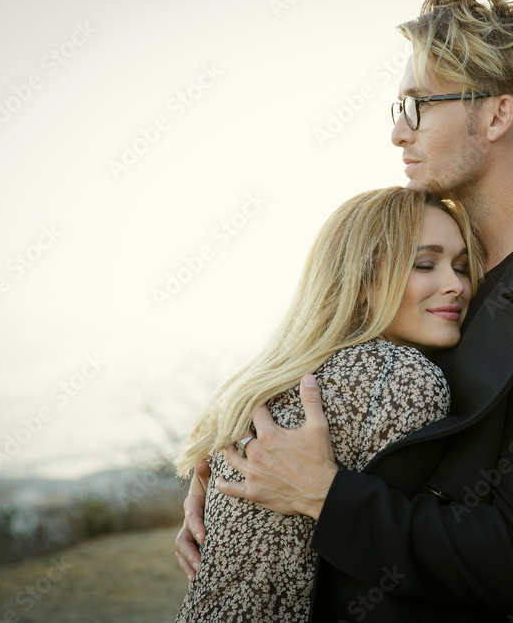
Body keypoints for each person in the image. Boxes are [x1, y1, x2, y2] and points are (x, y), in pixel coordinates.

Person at [176, 0, 513, 622]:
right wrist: (230, 489)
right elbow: (325, 364)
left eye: (419, 104)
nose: (399, 132)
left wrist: (322, 496)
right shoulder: (434, 248)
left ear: (497, 116)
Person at [173, 186, 484, 622]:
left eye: (462, 267)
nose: (456, 285)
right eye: (425, 264)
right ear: (362, 281)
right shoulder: (404, 377)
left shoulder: (275, 381)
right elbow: (421, 563)